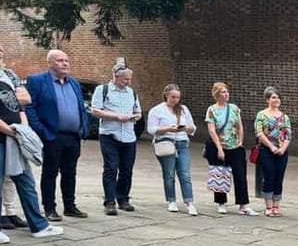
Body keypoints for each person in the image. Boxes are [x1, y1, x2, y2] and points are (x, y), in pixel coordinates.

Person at [0, 57, 64, 243]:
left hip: (15, 138)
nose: (1, 54)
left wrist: (23, 131)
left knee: (26, 182)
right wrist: (10, 131)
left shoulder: (7, 77)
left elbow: (22, 105)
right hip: (5, 136)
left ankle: (39, 225)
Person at [24, 49, 90, 221]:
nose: (65, 63)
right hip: (52, 135)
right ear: (50, 63)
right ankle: (49, 208)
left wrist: (83, 128)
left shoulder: (74, 83)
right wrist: (41, 131)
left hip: (73, 136)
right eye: (60, 60)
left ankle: (70, 206)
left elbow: (80, 107)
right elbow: (29, 107)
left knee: (70, 172)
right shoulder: (37, 81)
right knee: (50, 173)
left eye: (66, 60)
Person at [91, 63, 142, 215]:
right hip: (109, 134)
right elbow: (95, 111)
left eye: (129, 79)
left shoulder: (131, 92)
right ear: (115, 76)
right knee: (111, 168)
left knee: (127, 169)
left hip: (128, 135)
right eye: (125, 79)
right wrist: (116, 116)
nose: (128, 82)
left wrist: (135, 117)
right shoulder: (102, 90)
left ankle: (123, 198)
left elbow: (138, 111)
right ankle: (109, 201)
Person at [147, 83, 197, 215]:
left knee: (185, 174)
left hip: (181, 142)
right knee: (169, 174)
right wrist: (168, 128)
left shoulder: (183, 109)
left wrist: (184, 128)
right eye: (172, 97)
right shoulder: (157, 110)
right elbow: (151, 129)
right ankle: (171, 200)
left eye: (177, 97)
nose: (175, 100)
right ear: (166, 95)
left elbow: (193, 127)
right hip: (167, 143)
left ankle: (189, 202)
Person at [205, 82, 255, 215]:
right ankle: (221, 202)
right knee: (220, 174)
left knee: (240, 175)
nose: (226, 94)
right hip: (220, 146)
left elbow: (239, 125)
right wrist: (219, 148)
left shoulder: (233, 108)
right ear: (217, 95)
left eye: (227, 92)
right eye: (223, 92)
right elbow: (212, 130)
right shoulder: (212, 110)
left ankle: (243, 204)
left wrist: (240, 141)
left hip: (235, 146)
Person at [0, 44, 30, 231]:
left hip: (13, 128)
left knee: (11, 174)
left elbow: (25, 98)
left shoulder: (9, 74)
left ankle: (10, 212)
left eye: (1, 50)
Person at [254, 87, 292, 217]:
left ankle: (276, 206)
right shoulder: (261, 115)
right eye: (273, 97)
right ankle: (268, 206)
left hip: (282, 152)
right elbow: (259, 133)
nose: (276, 100)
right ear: (267, 100)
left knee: (279, 178)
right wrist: (271, 147)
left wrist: (282, 149)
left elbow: (288, 135)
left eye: (278, 97)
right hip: (266, 150)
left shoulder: (284, 117)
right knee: (269, 177)